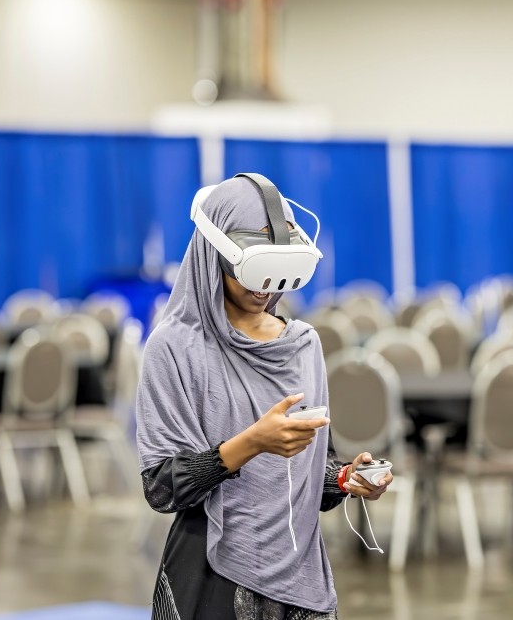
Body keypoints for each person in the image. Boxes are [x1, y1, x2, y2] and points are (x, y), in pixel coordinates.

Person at [135, 175, 392, 620]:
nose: (265, 289)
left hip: (300, 579)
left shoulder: (303, 343)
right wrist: (252, 442)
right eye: (253, 270)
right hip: (211, 578)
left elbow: (311, 471)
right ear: (213, 256)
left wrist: (346, 478)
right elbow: (162, 487)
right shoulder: (174, 348)